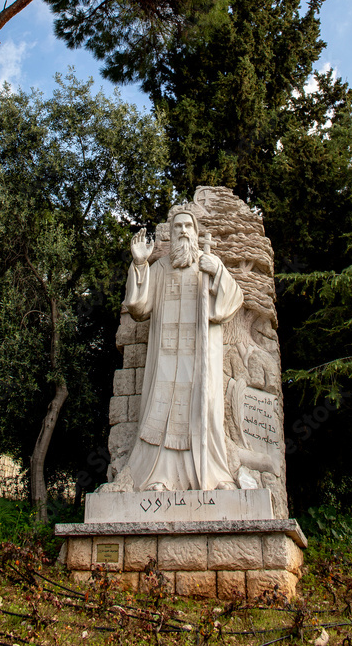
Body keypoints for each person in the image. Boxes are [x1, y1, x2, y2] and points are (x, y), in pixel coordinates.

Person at [121, 210, 243, 491]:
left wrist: (219, 273)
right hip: (165, 359)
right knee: (161, 414)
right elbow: (139, 309)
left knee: (203, 416)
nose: (183, 231)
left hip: (200, 360)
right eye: (178, 227)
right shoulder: (160, 268)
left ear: (196, 233)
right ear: (172, 233)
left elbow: (233, 301)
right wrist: (140, 264)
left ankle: (212, 475)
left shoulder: (208, 262)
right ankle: (159, 477)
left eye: (189, 226)